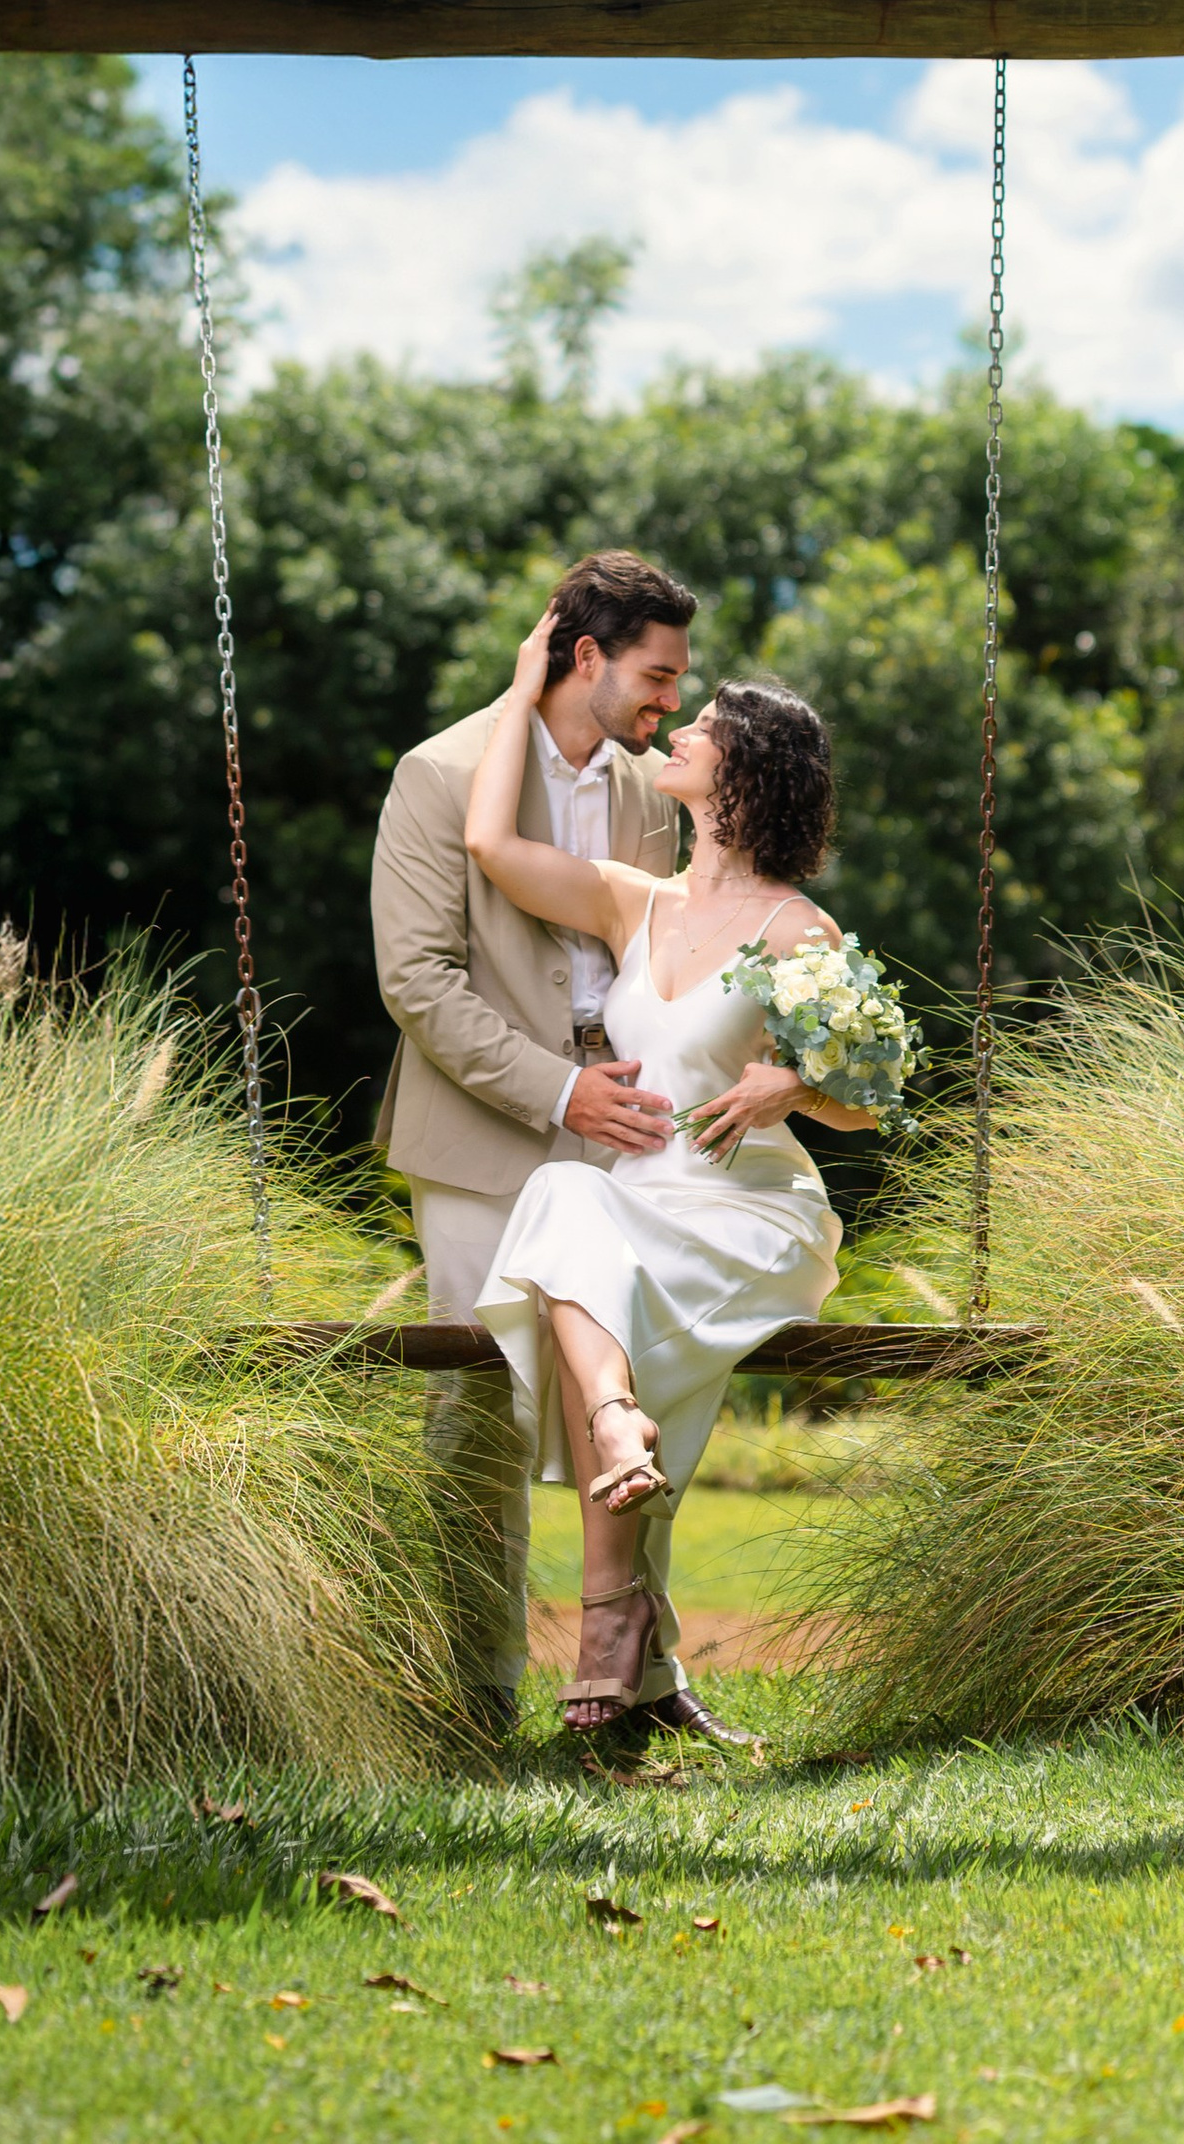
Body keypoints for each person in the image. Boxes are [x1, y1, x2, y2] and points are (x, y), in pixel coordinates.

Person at [465, 611, 874, 1738]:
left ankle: (612, 1632)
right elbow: (492, 850)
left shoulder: (799, 933)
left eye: (705, 725)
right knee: (565, 1197)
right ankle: (617, 1434)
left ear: (746, 773)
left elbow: (868, 1099)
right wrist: (518, 690)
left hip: (747, 1211)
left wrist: (788, 1088)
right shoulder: (631, 900)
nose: (680, 727)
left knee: (594, 1264)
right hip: (638, 1203)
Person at [371, 549, 707, 1742]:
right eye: (656, 675)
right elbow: (416, 982)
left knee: (632, 1400)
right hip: (480, 1144)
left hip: (618, 1142)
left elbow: (659, 962)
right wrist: (562, 1095)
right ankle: (470, 1696)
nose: (670, 701)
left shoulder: (641, 792)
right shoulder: (440, 773)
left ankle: (640, 1688)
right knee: (482, 1421)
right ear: (585, 658)